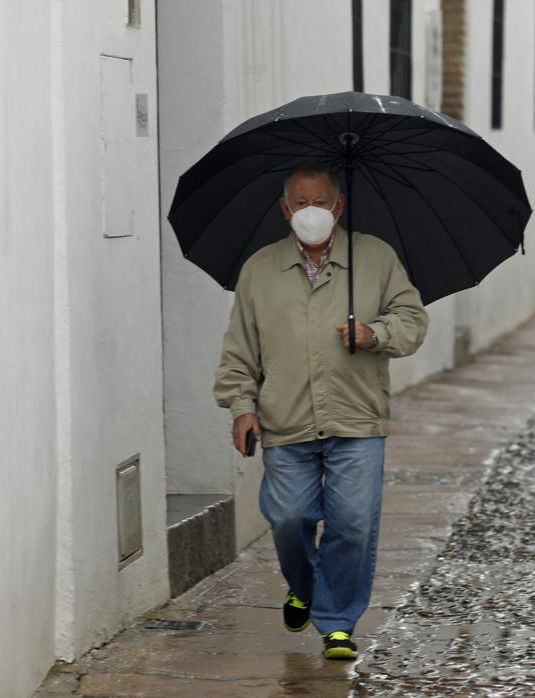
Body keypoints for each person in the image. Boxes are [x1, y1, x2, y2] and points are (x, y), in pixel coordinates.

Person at [213, 163, 428, 661]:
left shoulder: (375, 258)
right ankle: (304, 587)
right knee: (289, 517)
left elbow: (413, 320)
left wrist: (376, 334)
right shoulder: (259, 270)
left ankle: (336, 622)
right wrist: (241, 407)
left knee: (352, 523)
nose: (312, 211)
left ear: (339, 206)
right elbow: (239, 351)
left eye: (321, 202)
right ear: (285, 209)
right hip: (284, 420)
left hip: (356, 419)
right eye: (300, 203)